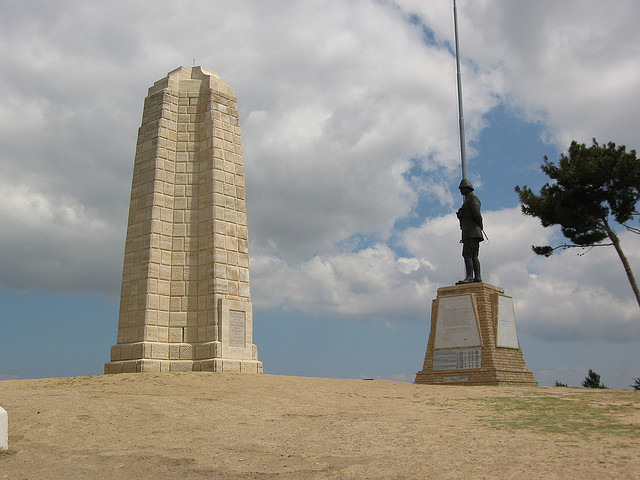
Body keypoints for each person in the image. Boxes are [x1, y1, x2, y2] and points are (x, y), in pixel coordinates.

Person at [455, 179, 483, 284]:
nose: (460, 191)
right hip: (469, 231)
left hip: (472, 231)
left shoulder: (472, 198)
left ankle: (471, 277)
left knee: (468, 254)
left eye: (462, 189)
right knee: (472, 254)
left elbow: (477, 215)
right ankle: (476, 277)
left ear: (467, 188)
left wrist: (480, 226)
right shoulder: (467, 200)